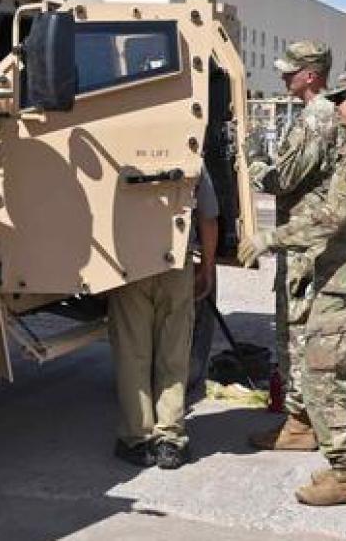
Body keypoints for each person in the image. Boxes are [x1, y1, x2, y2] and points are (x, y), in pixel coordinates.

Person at [239, 67, 346, 506]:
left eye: (343, 97)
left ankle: (345, 472)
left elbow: (331, 216)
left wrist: (269, 238)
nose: (336, 105)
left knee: (320, 374)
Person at [245, 40, 345, 451]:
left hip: (305, 242)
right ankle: (304, 418)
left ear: (311, 75)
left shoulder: (317, 116)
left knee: (297, 331)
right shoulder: (319, 114)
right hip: (307, 238)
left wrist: (253, 167)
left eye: (291, 71)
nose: (284, 77)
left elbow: (286, 178)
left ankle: (301, 423)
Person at [109, 167, 219, 469]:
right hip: (175, 262)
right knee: (174, 352)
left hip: (129, 265)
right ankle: (170, 439)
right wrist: (206, 268)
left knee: (133, 354)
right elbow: (208, 217)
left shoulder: (118, 150)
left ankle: (137, 438)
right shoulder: (188, 150)